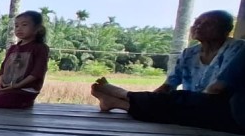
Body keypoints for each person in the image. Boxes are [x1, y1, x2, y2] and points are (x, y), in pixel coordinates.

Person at [91, 10, 245, 124]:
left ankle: (123, 94)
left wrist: (183, 104)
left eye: (208, 23)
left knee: (177, 101)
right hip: (188, 107)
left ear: (226, 29)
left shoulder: (237, 49)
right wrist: (151, 102)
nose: (199, 26)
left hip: (219, 109)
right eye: (197, 22)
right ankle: (115, 102)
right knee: (170, 103)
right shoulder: (189, 53)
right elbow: (169, 85)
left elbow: (216, 90)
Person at [0, 10, 49, 109]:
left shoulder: (40, 48)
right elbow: (4, 68)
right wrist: (0, 84)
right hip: (8, 87)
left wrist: (17, 85)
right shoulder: (13, 48)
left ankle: (26, 102)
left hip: (26, 90)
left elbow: (37, 72)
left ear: (37, 29)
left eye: (24, 25)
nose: (19, 29)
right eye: (16, 26)